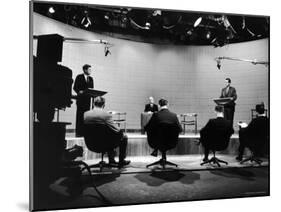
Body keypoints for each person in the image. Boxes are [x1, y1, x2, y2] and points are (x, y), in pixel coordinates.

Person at [84, 96, 131, 167]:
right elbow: (117, 130)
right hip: (103, 145)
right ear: (104, 105)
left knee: (109, 135)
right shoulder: (106, 115)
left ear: (93, 104)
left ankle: (112, 160)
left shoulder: (86, 114)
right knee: (124, 137)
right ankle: (121, 161)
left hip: (90, 144)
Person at [73, 64, 94, 137]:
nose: (90, 71)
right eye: (89, 69)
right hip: (81, 100)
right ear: (85, 70)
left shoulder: (91, 79)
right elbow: (75, 87)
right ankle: (78, 132)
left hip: (87, 101)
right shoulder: (79, 77)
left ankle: (85, 132)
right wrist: (79, 91)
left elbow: (92, 89)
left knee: (86, 117)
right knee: (79, 116)